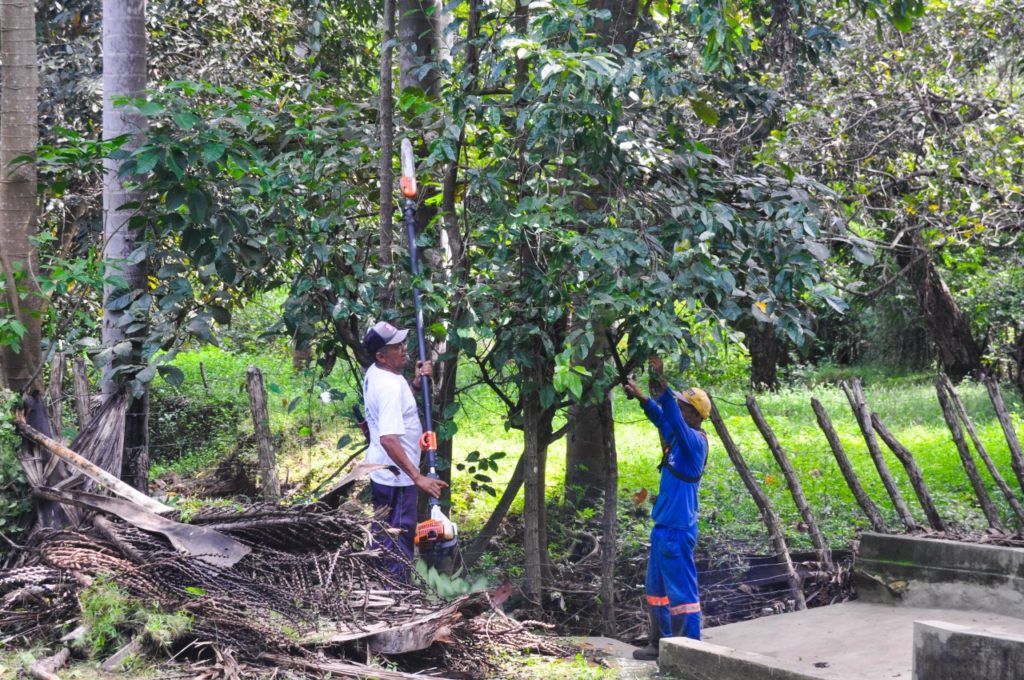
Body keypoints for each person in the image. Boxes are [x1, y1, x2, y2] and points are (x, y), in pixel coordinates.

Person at [623, 355, 711, 660]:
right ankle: (659, 643)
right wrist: (642, 396)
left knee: (683, 596)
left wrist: (662, 382)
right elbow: (662, 417)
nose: (679, 411)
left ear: (696, 416)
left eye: (685, 408)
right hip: (662, 530)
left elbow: (670, 414)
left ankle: (689, 651)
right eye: (680, 406)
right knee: (656, 592)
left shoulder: (694, 442)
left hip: (678, 531)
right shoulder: (678, 435)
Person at [362, 320, 447, 581]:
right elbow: (389, 439)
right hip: (397, 479)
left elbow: (396, 407)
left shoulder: (378, 374)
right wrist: (417, 477)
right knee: (398, 539)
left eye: (402, 343)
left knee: (385, 532)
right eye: (396, 347)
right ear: (381, 356)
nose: (403, 349)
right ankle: (395, 592)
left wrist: (416, 385)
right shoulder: (388, 386)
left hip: (385, 471)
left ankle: (380, 584)